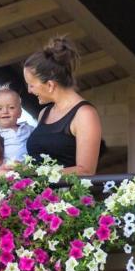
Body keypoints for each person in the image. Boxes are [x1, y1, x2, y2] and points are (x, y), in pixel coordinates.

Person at [23, 37, 102, 175]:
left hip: (65, 194)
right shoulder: (44, 113)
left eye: (31, 85)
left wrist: (36, 173)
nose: (29, 91)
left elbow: (86, 171)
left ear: (50, 85)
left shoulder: (85, 114)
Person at [0, 84, 33, 163]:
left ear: (20, 112)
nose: (5, 111)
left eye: (11, 107)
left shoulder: (28, 129)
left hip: (27, 171)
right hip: (2, 172)